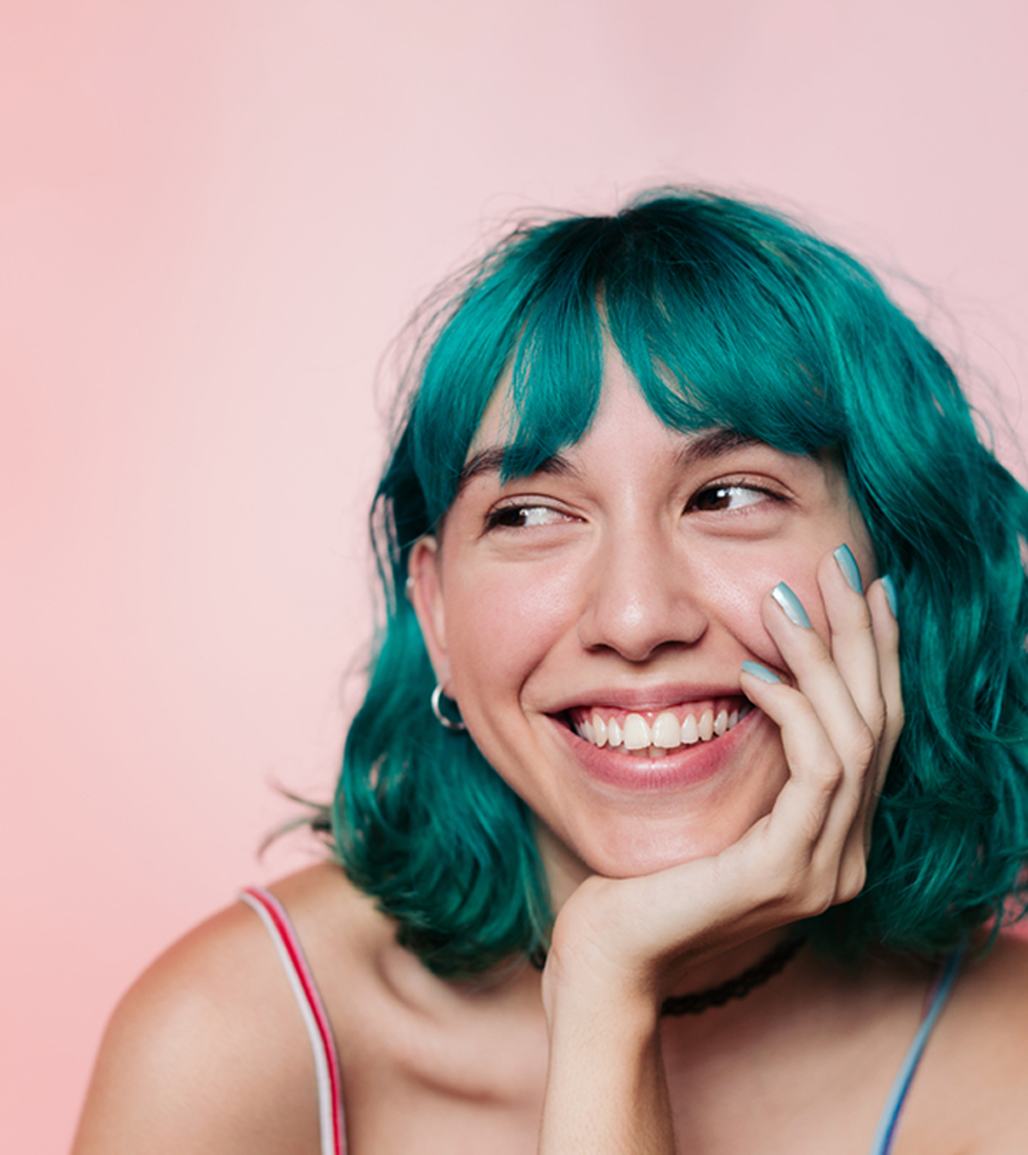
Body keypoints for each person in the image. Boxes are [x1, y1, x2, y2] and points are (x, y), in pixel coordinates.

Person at [73, 190, 1028, 1154]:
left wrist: (605, 976)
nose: (635, 617)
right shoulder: (229, 1041)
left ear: (900, 569)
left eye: (729, 494)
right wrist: (606, 985)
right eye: (529, 513)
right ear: (436, 615)